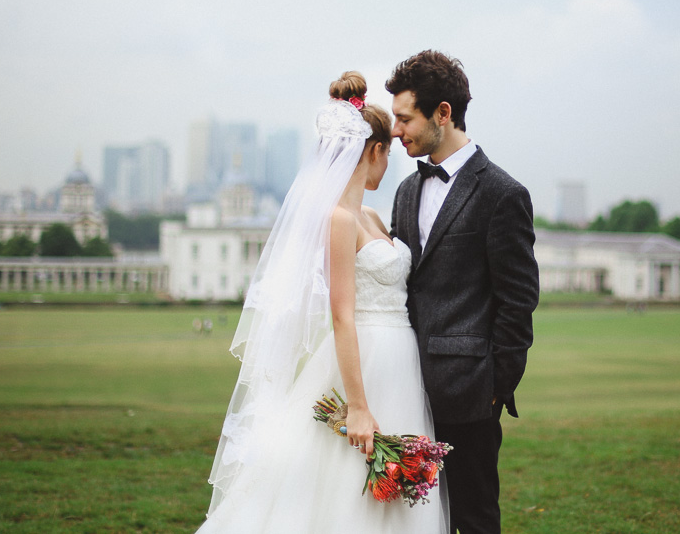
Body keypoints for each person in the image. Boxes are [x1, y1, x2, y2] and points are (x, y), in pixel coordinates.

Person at [198, 72, 447, 533]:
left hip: (400, 361)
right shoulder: (338, 220)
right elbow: (341, 316)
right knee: (345, 489)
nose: (388, 164)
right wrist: (357, 405)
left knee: (392, 495)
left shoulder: (369, 214)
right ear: (373, 151)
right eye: (386, 152)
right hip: (364, 361)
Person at [387, 50, 539, 534]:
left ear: (443, 113)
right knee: (413, 518)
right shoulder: (406, 191)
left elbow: (518, 301)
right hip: (405, 389)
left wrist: (496, 389)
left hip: (471, 395)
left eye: (404, 118)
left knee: (473, 519)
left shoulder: (502, 193)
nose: (396, 131)